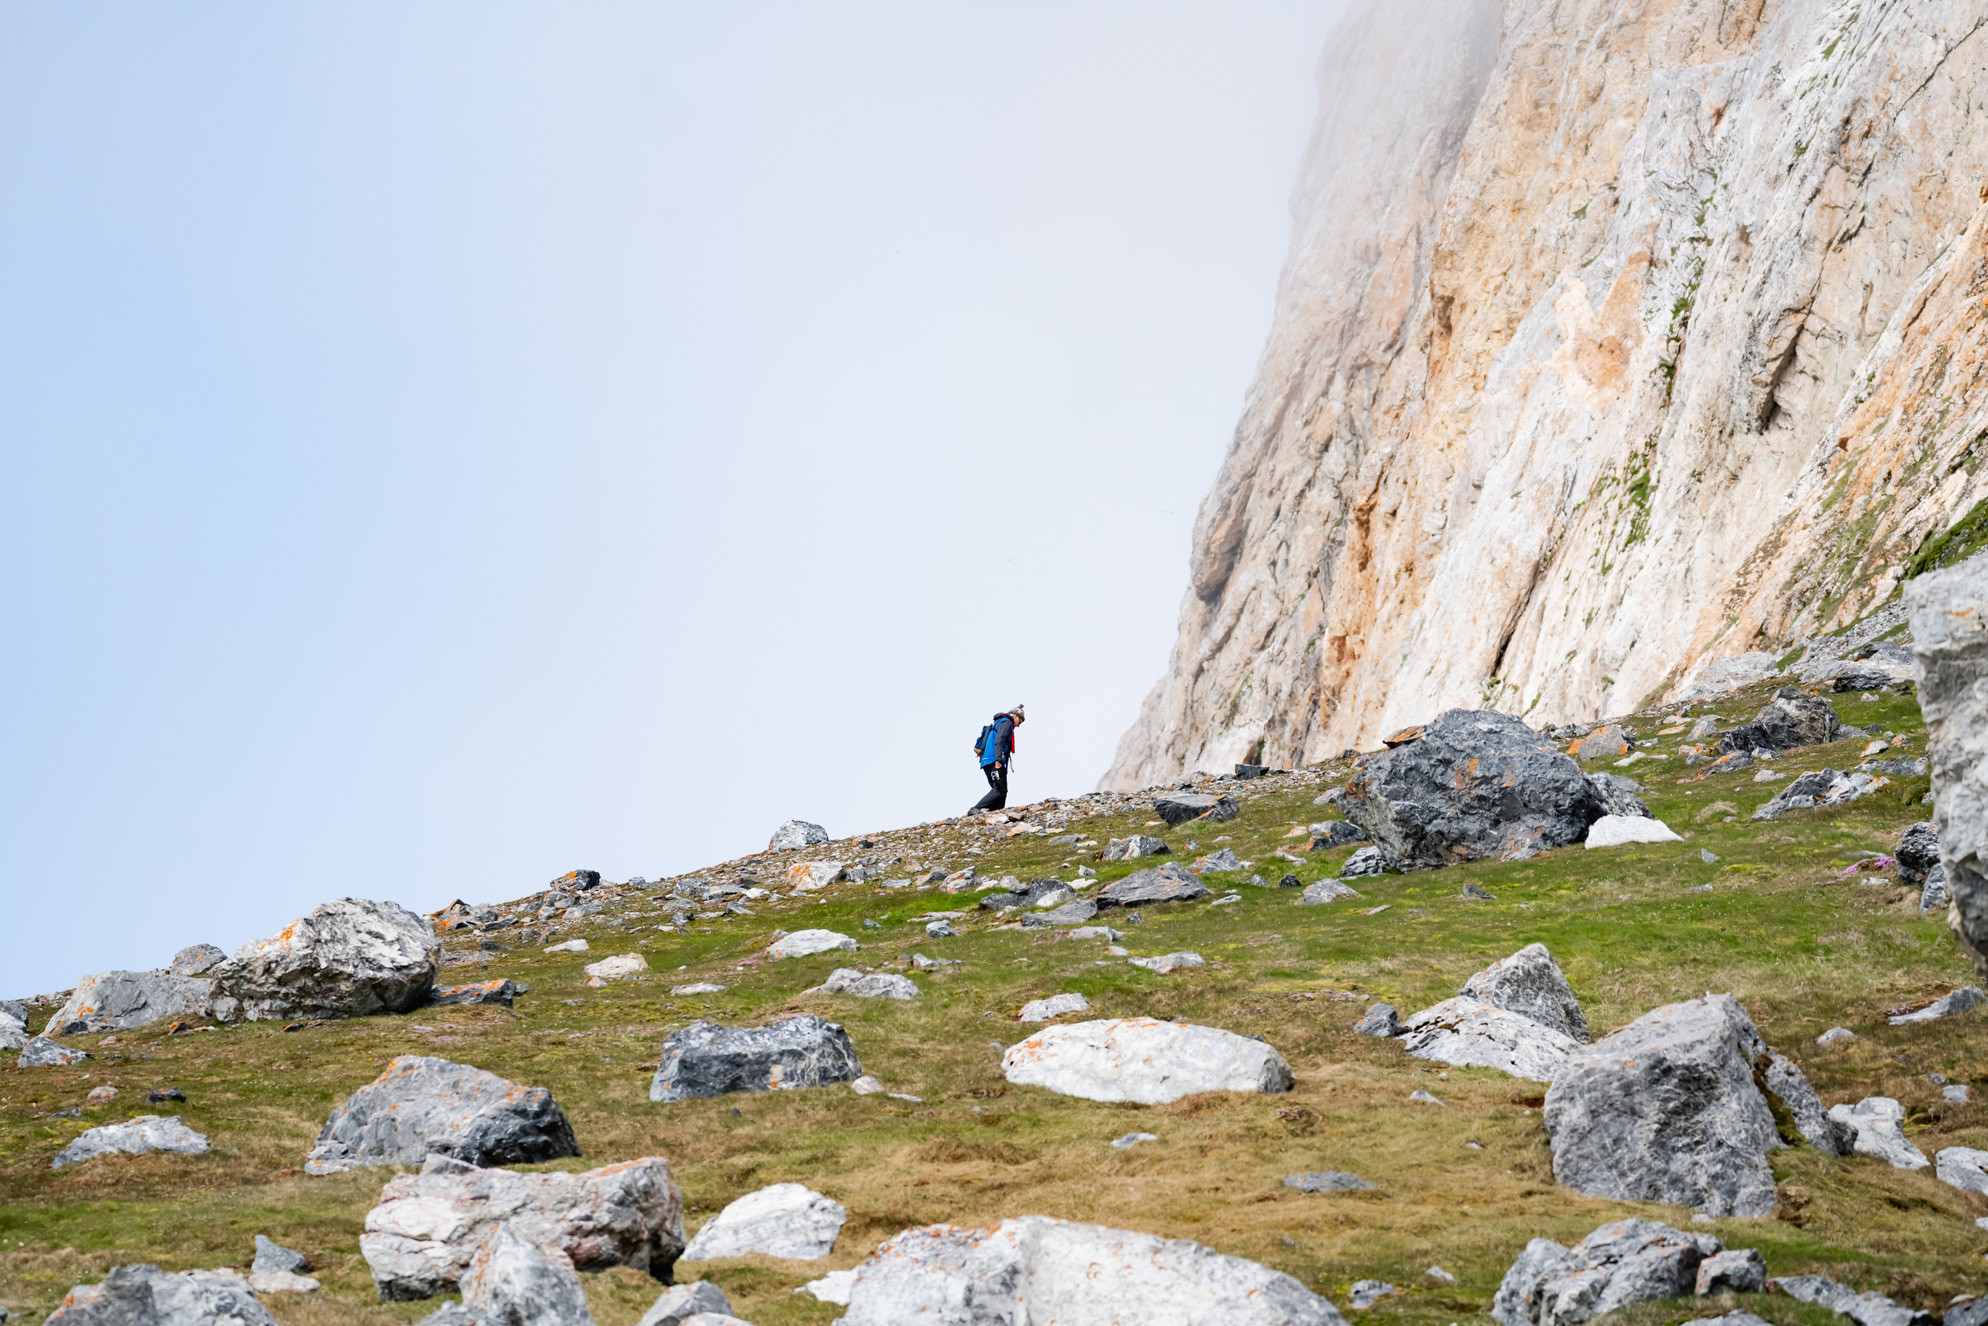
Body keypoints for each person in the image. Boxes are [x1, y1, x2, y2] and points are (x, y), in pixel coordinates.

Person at [969, 704, 1025, 814]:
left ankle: (996, 814)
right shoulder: (1006, 722)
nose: (1019, 725)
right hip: (993, 760)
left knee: (1002, 791)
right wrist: (999, 760)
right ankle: (975, 809)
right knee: (999, 789)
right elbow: (1000, 740)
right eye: (1020, 721)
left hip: (988, 760)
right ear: (1015, 716)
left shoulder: (1000, 722)